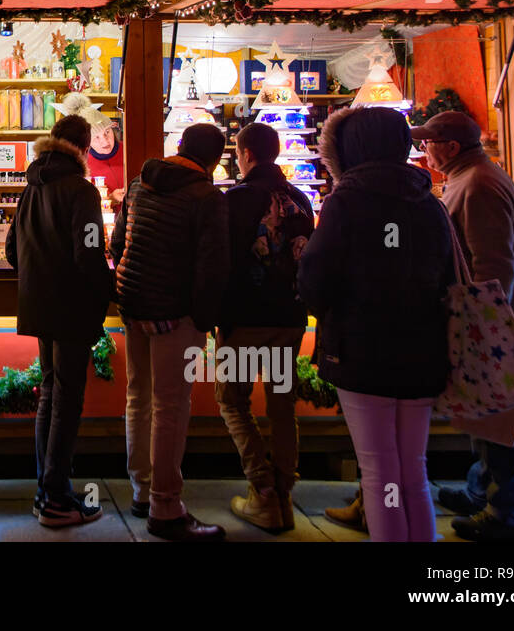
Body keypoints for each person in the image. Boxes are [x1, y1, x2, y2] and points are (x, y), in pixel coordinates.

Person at [298, 106, 455, 542]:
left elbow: (316, 277)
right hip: (423, 351)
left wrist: (324, 308)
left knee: (380, 473)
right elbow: (449, 276)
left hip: (363, 351)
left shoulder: (345, 201)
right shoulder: (430, 202)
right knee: (414, 472)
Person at [412, 110, 514, 543]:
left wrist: (478, 322)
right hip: (488, 317)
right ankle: (481, 492)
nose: (423, 149)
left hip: (489, 321)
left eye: (428, 142)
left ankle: (507, 515)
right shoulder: (475, 176)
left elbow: (491, 265)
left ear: (451, 147)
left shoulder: (479, 184)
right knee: (486, 415)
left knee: (499, 420)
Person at [110, 122, 230, 541]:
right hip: (173, 312)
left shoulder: (141, 184)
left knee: (138, 397)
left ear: (178, 147)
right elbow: (213, 265)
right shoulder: (206, 196)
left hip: (133, 302)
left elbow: (116, 243)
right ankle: (165, 508)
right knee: (171, 406)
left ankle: (141, 490)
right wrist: (203, 319)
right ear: (215, 160)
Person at [5, 114, 114, 527]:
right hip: (71, 309)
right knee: (67, 401)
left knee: (50, 394)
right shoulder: (82, 192)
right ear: (85, 150)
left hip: (38, 306)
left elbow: (13, 249)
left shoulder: (31, 188)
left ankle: (45, 491)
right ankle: (56, 498)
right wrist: (107, 289)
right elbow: (89, 252)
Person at [217, 122, 315, 531]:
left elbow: (218, 259)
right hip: (290, 319)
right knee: (281, 405)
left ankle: (264, 491)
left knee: (234, 402)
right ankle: (285, 496)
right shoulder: (301, 199)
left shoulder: (235, 200)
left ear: (246, 154)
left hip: (245, 319)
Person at [87, 120, 126, 206]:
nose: (105, 141)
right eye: (96, 137)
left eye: (107, 132)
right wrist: (111, 199)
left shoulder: (129, 151)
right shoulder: (83, 166)